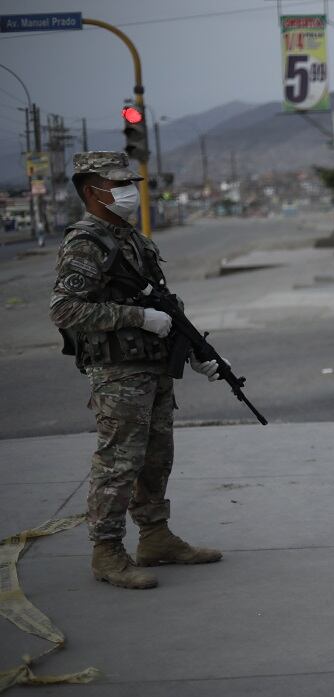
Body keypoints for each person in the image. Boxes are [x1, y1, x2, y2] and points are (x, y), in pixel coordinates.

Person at [50, 151, 223, 590]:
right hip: (118, 371)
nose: (129, 191)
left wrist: (195, 350)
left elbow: (163, 303)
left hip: (153, 365)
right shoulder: (85, 241)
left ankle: (156, 537)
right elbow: (65, 308)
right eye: (118, 184)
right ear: (92, 191)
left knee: (156, 456)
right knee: (118, 462)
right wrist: (137, 319)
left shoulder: (133, 239)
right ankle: (107, 552)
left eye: (131, 183)